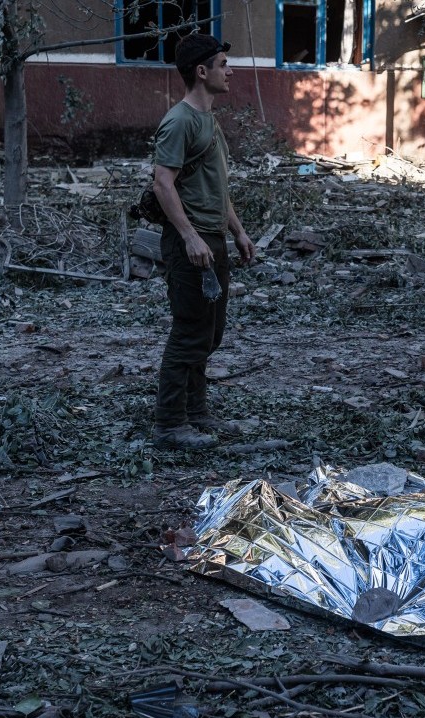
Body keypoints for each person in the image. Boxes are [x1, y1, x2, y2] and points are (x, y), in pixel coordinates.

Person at [151, 34, 256, 450]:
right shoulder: (179, 121)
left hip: (213, 241)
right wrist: (190, 236)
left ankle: (197, 413)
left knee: (211, 334)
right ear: (202, 71)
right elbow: (163, 183)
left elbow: (216, 188)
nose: (230, 71)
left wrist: (238, 230)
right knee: (190, 332)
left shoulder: (208, 121)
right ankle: (169, 424)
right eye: (223, 64)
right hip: (190, 245)